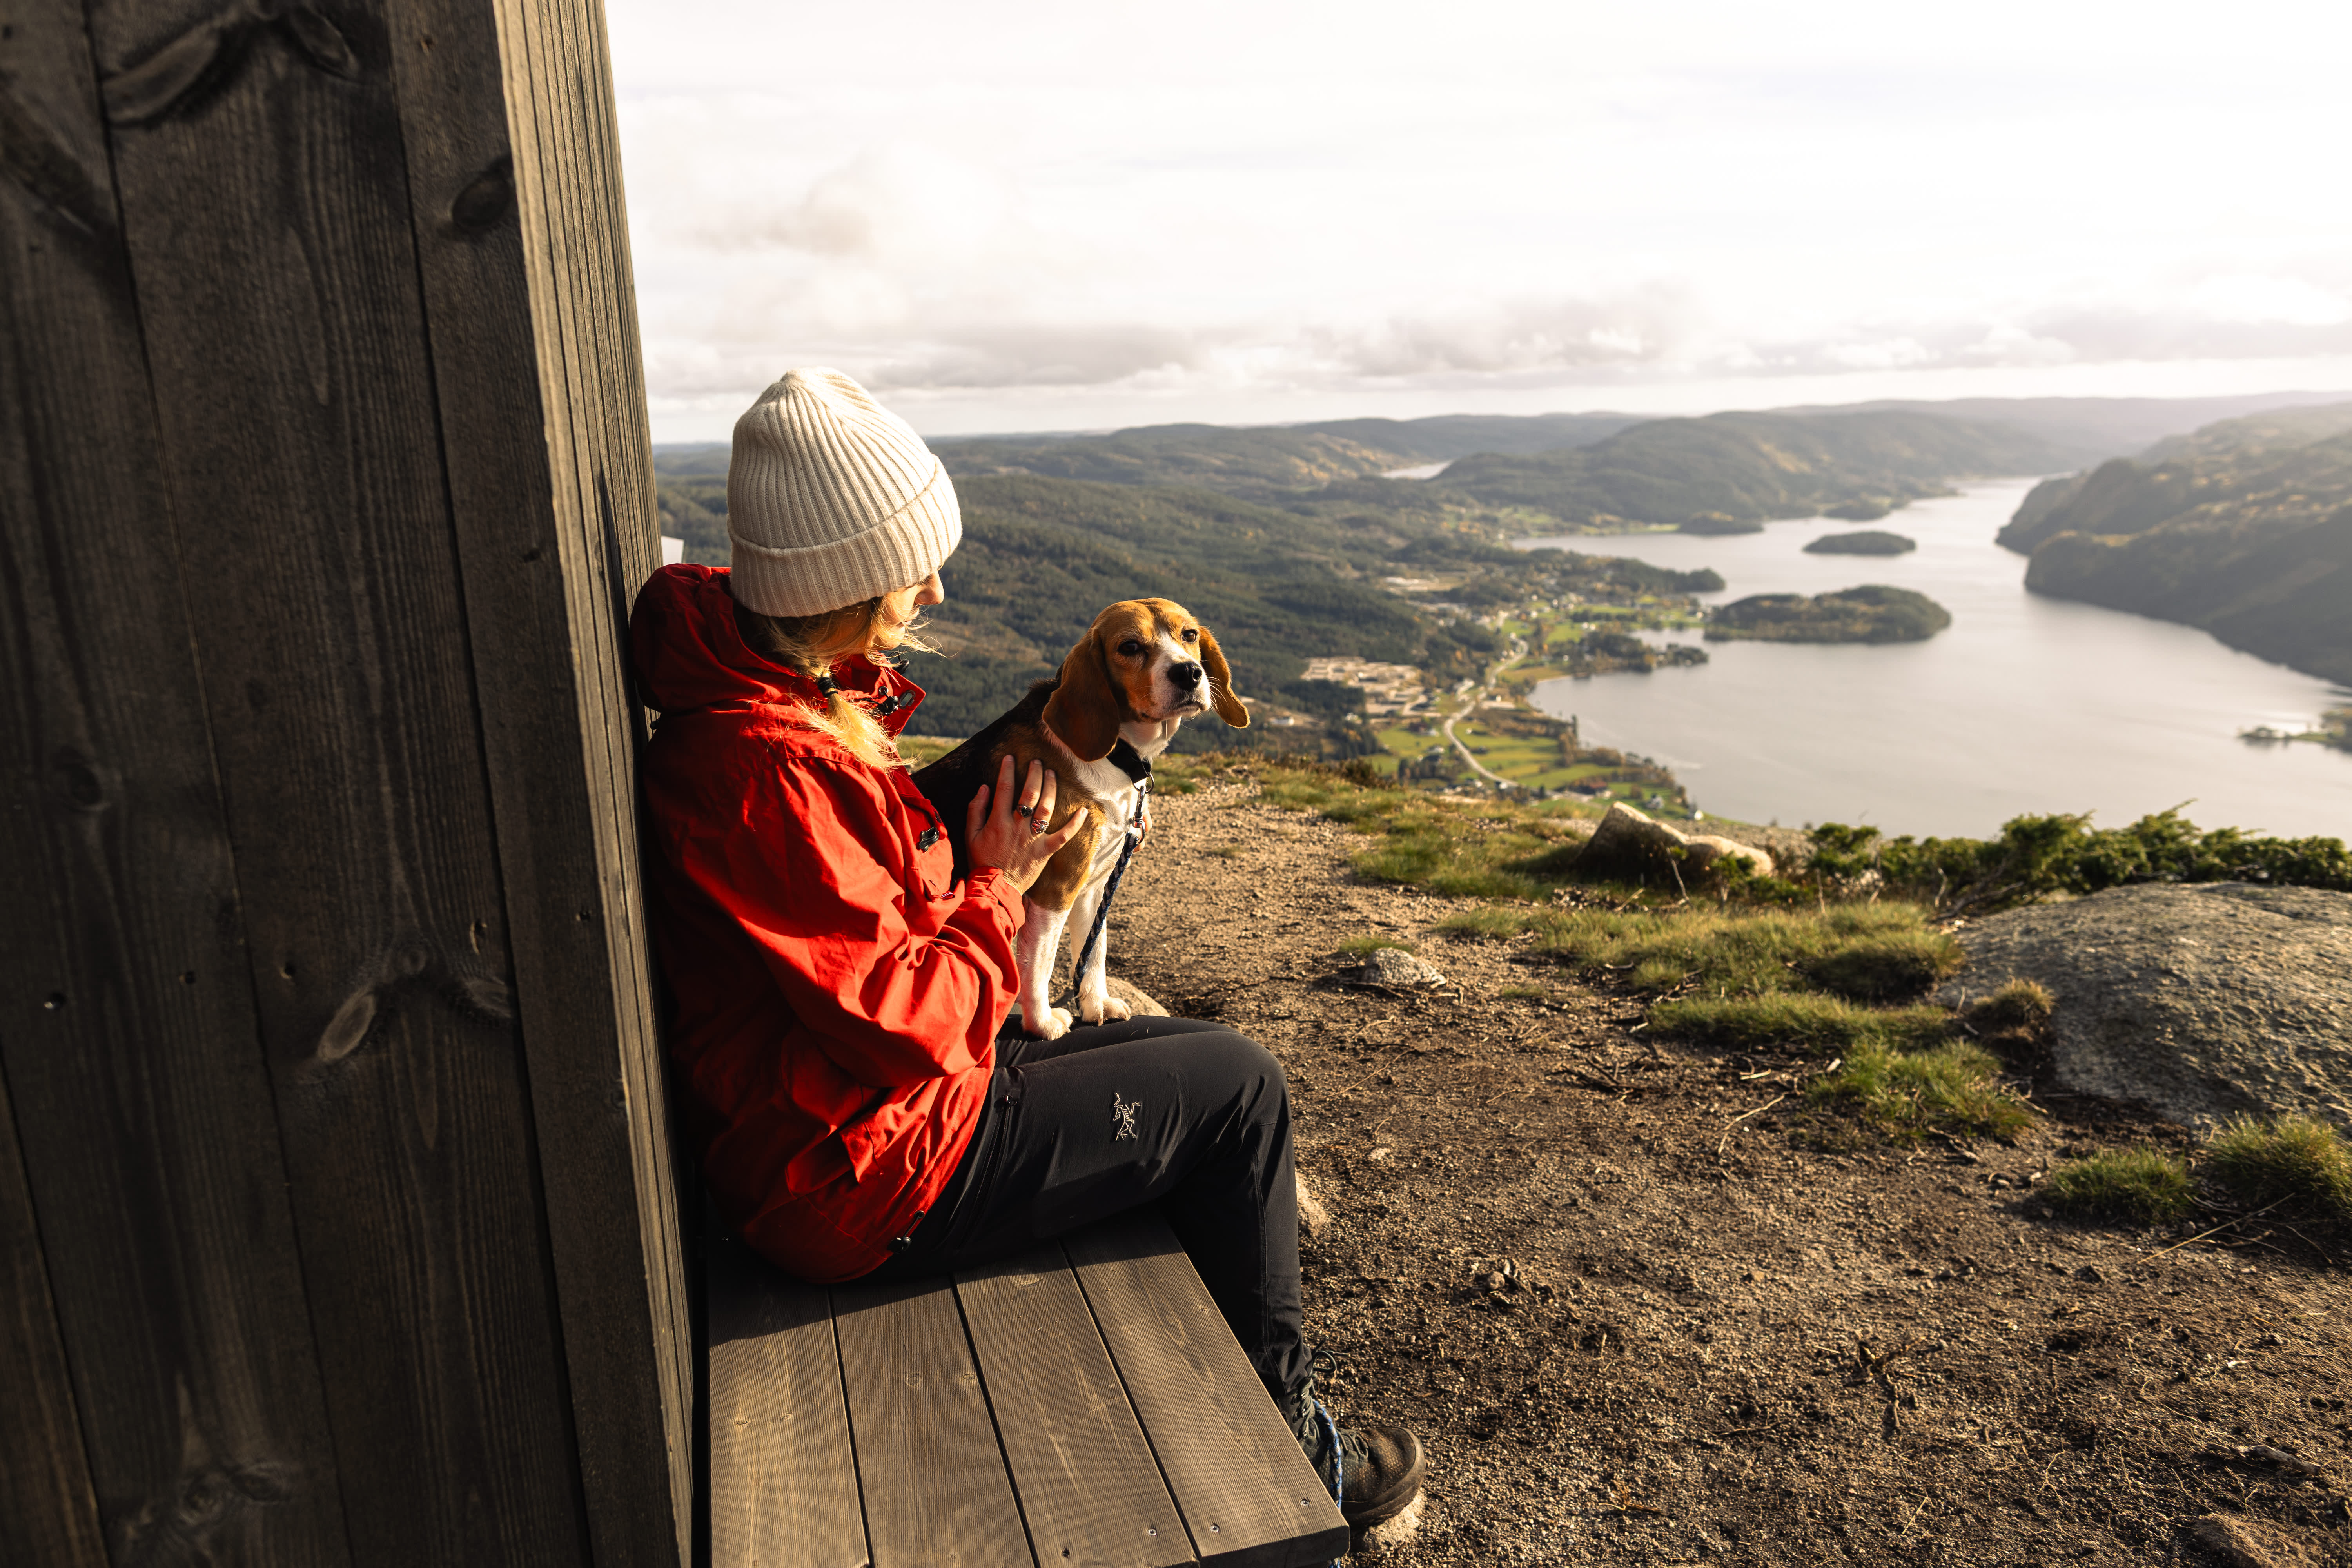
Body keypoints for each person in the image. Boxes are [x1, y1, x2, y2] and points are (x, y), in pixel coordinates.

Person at [630, 367, 1424, 1528]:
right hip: (860, 1174)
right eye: (913, 565)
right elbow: (905, 1019)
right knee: (1240, 1092)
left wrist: (970, 881)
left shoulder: (778, 700)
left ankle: (1252, 1417)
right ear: (838, 580)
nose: (939, 586)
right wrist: (997, 883)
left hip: (851, 1119)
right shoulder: (765, 768)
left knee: (1201, 1057)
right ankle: (1299, 1459)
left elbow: (886, 931)